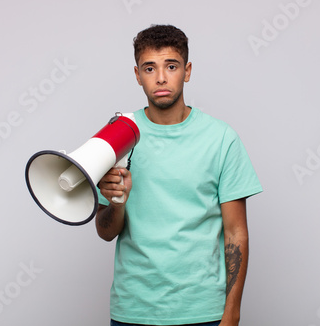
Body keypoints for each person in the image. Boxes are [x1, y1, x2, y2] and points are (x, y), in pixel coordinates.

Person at [95, 24, 262, 326]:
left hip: (204, 312)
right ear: (137, 75)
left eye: (171, 66)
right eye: (149, 68)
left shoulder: (221, 139)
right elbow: (106, 232)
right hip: (134, 311)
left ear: (187, 71)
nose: (160, 77)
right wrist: (118, 201)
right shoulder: (116, 139)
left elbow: (235, 233)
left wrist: (232, 312)